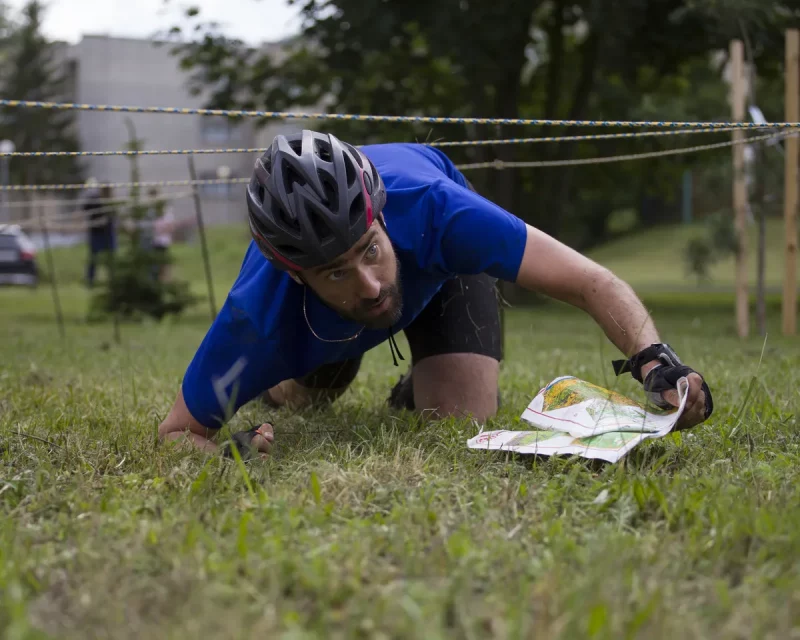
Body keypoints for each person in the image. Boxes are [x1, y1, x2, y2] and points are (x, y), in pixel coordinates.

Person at [158, 129, 713, 459]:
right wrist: (228, 455)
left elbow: (592, 282)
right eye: (335, 272)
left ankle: (415, 380)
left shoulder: (441, 211)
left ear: (382, 216)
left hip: (439, 272)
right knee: (311, 396)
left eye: (369, 250)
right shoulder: (255, 317)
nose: (370, 284)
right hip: (319, 327)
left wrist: (656, 362)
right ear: (296, 275)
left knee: (459, 418)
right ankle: (293, 382)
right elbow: (175, 436)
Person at [84, 183, 117, 287]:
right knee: (93, 258)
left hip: (109, 233)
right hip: (96, 234)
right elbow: (85, 208)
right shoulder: (94, 201)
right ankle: (90, 281)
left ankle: (113, 280)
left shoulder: (112, 202)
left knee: (111, 259)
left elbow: (115, 216)